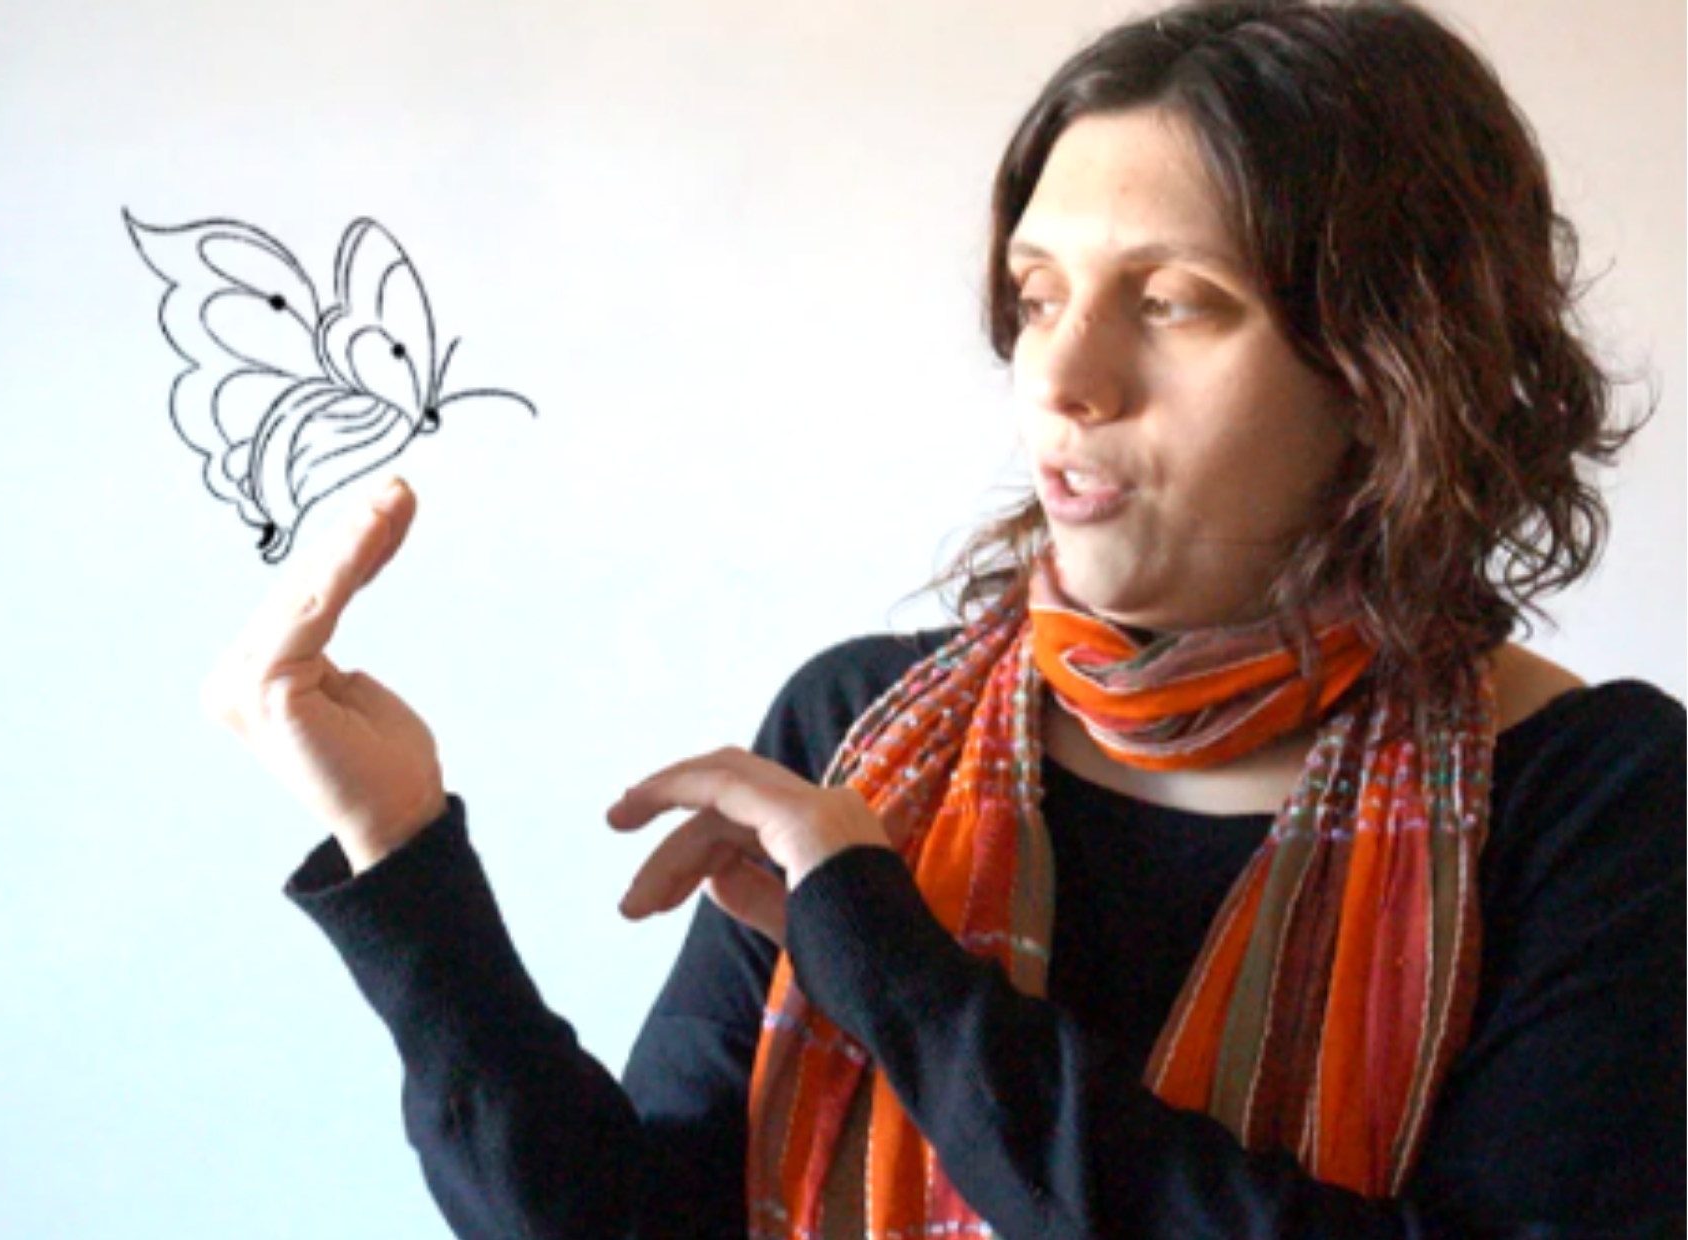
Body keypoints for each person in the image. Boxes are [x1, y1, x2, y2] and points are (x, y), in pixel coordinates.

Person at [203, 1, 1684, 1236]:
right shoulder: (858, 730)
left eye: (1174, 301)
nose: (1063, 380)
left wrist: (899, 977)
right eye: (1037, 297)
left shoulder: (1597, 803)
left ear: (1390, 364)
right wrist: (399, 858)